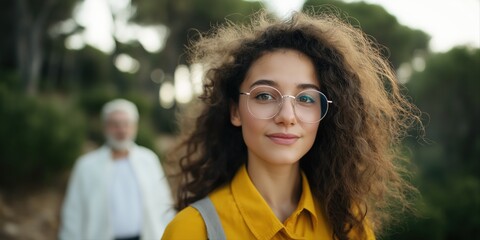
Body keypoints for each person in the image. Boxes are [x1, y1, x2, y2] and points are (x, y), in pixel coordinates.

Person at [162, 10, 421, 240]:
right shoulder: (191, 230)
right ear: (235, 111)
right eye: (264, 95)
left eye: (306, 98)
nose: (287, 116)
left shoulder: (349, 225)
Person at [59, 99, 175, 240]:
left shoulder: (149, 160)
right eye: (115, 125)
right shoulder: (86, 166)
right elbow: (73, 214)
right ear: (105, 127)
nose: (121, 130)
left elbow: (164, 205)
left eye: (126, 124)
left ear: (135, 127)